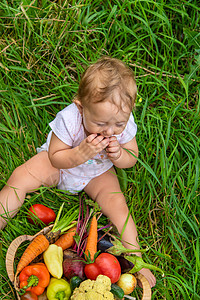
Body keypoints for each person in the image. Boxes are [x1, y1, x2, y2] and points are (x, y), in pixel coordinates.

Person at [0, 57, 156, 287]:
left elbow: (132, 158)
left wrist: (119, 155)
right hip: (60, 165)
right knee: (20, 178)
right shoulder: (70, 119)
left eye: (118, 125)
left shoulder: (122, 121)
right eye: (101, 123)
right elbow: (55, 155)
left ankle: (136, 258)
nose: (110, 131)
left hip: (97, 173)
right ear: (81, 107)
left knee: (117, 204)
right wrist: (79, 154)